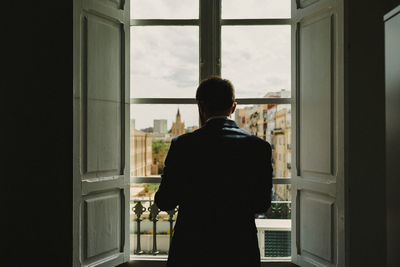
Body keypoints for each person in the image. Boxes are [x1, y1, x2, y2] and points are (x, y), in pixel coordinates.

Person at [155, 76, 273, 267]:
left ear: (200, 106)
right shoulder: (258, 147)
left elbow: (165, 201)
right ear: (233, 107)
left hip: (191, 250)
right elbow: (262, 204)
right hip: (240, 251)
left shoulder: (183, 145)